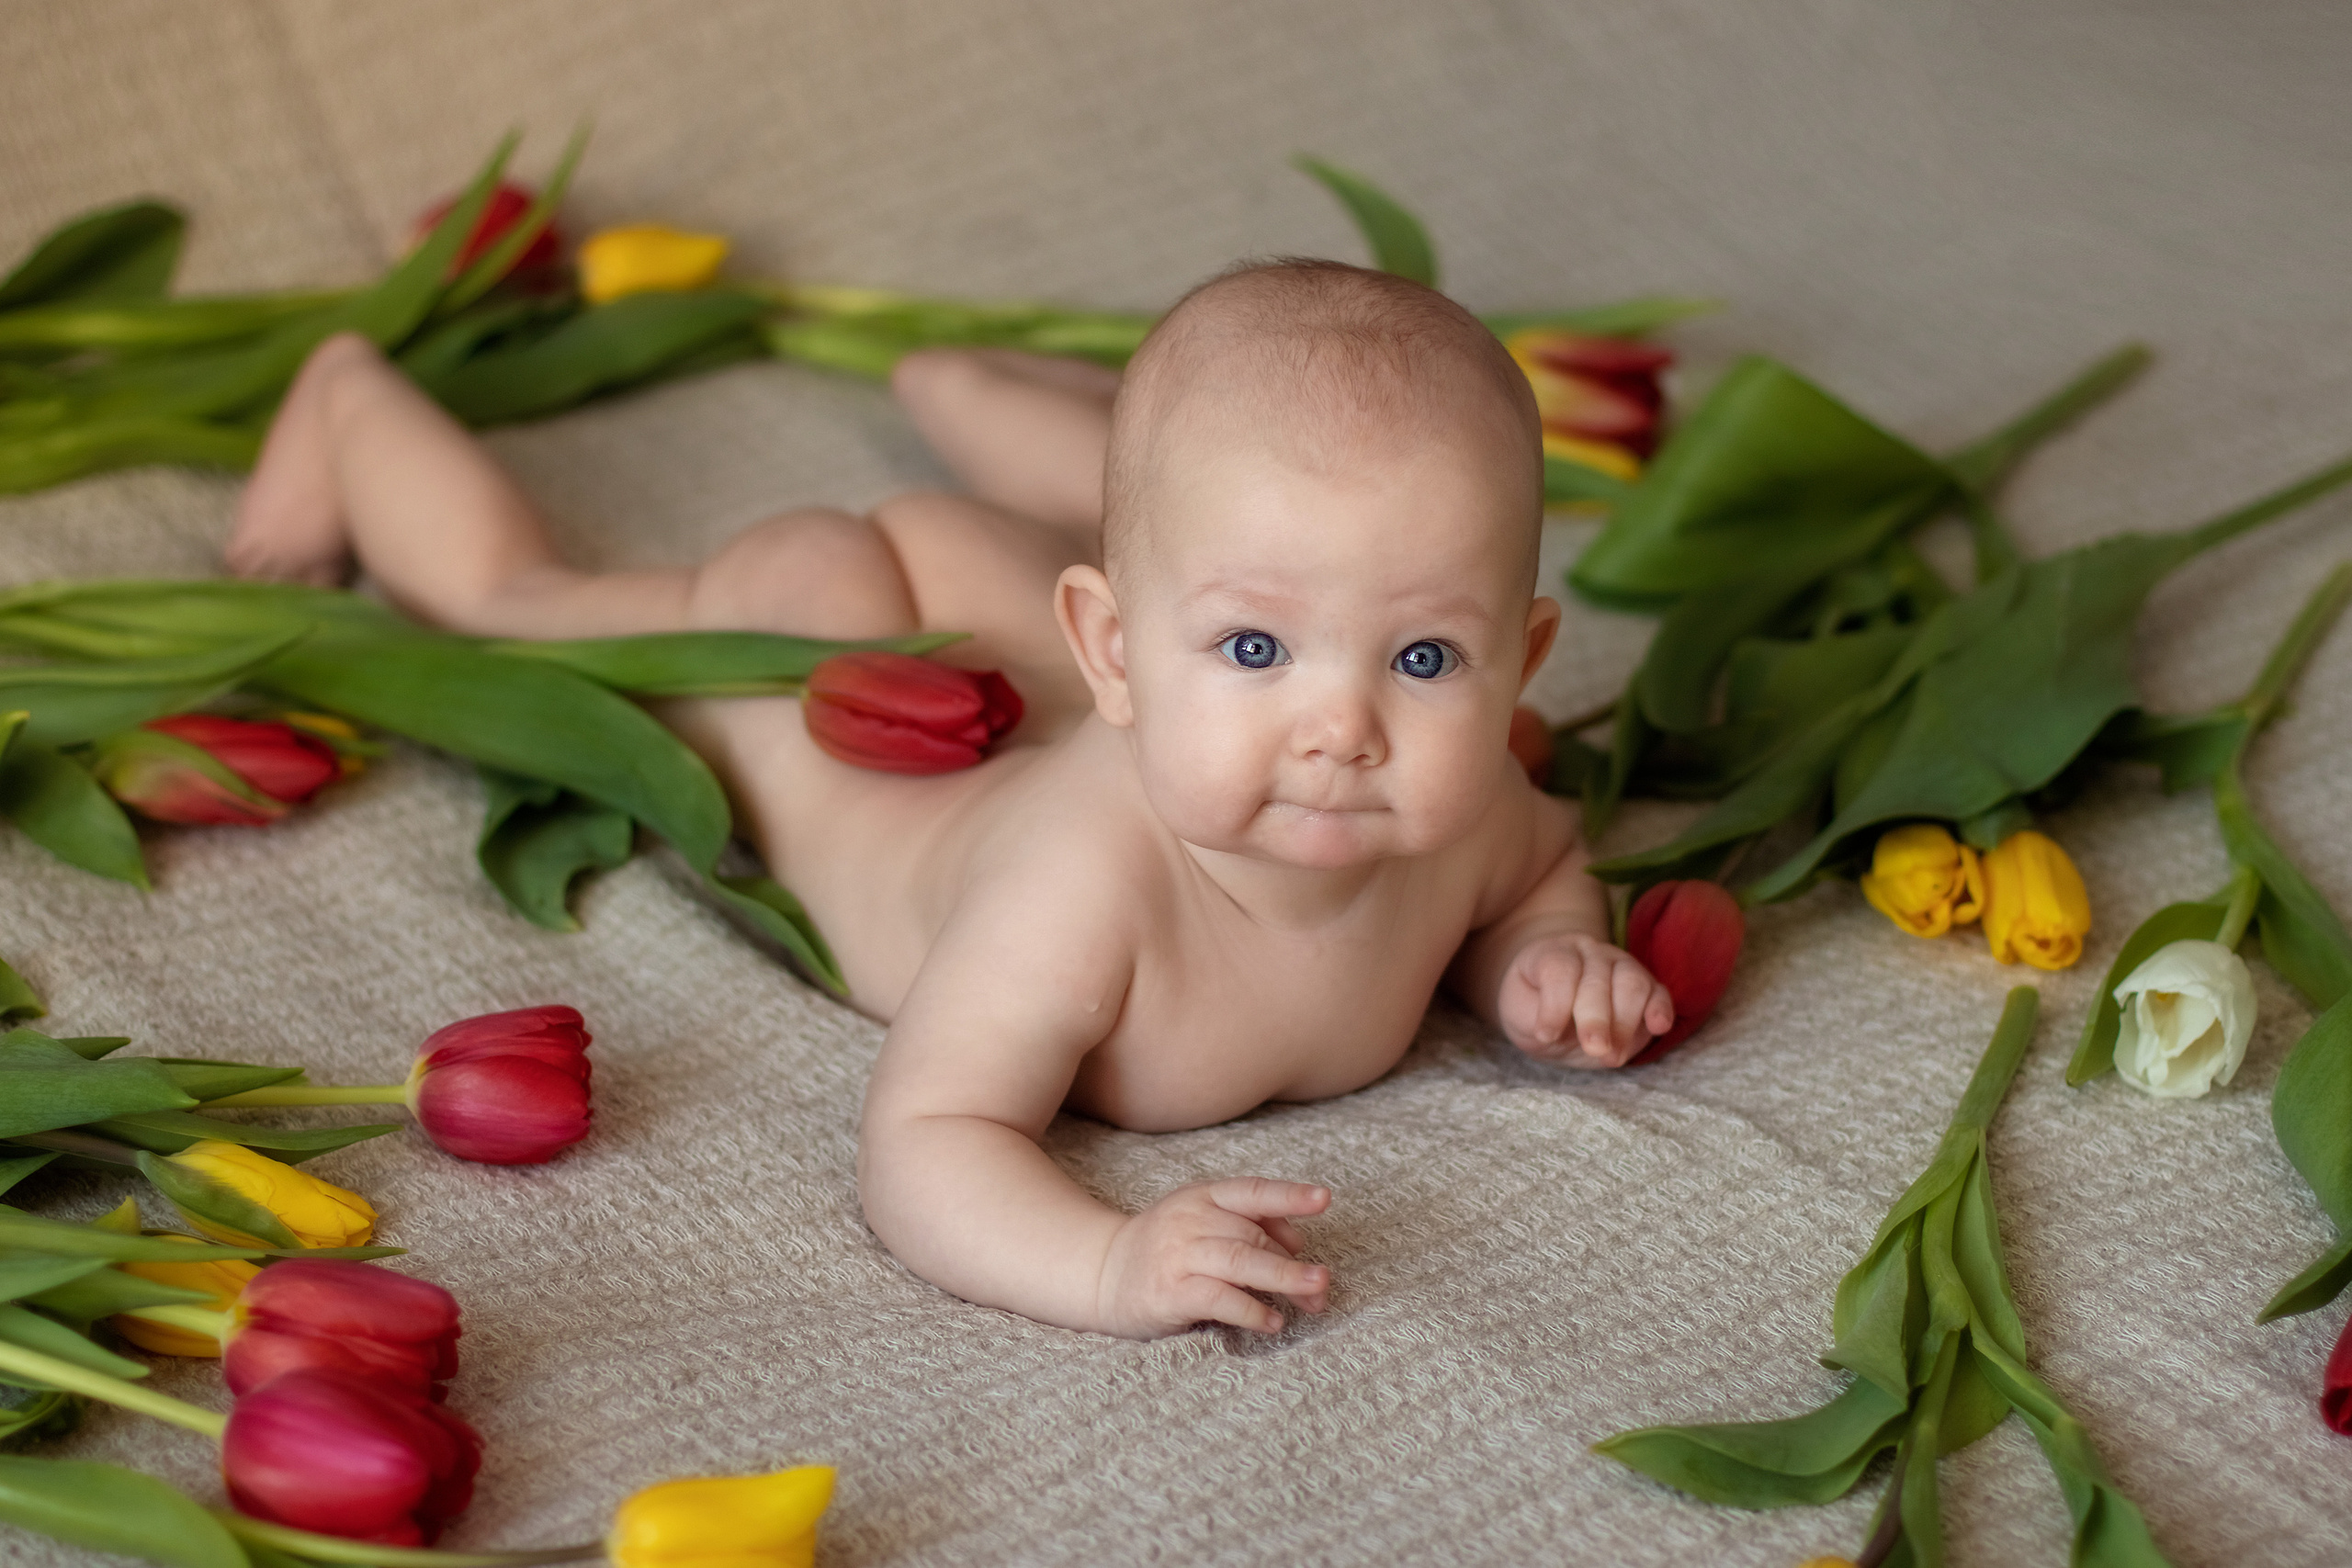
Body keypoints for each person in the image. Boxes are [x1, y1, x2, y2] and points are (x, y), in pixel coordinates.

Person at [226, 258, 1676, 1339]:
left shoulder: (1466, 801)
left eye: (1426, 655)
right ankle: (351, 405)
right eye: (1256, 649)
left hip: (1014, 645)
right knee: (520, 613)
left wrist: (1546, 955)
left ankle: (958, 385)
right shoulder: (1085, 891)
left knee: (1233, 496)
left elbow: (1539, 869)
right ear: (1116, 650)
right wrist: (1106, 1263)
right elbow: (925, 1146)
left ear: (1520, 660)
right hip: (829, 660)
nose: (1343, 728)